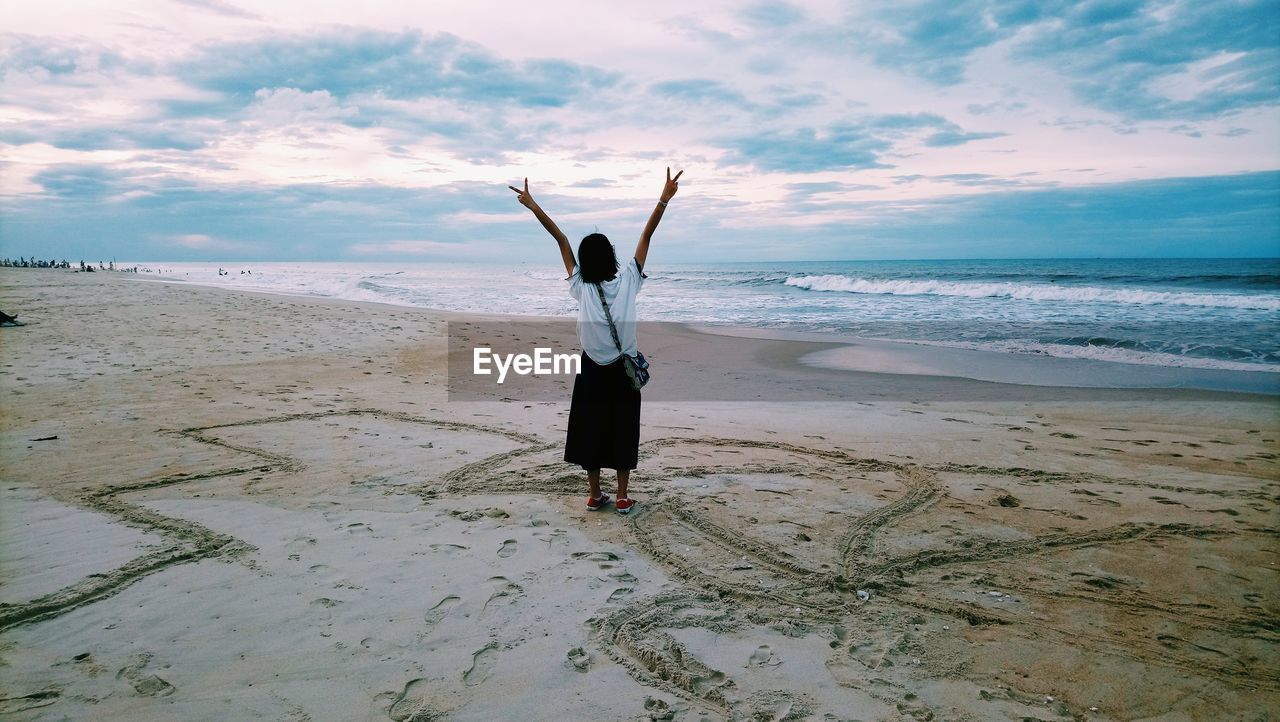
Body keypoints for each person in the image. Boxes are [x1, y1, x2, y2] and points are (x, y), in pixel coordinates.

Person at [509, 167, 683, 515]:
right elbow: (646, 237)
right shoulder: (629, 280)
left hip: (591, 368)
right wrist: (664, 199)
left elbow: (560, 240)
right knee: (623, 428)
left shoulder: (581, 286)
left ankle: (593, 494)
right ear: (612, 258)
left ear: (585, 262)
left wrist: (532, 205)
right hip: (624, 370)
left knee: (590, 428)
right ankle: (620, 497)